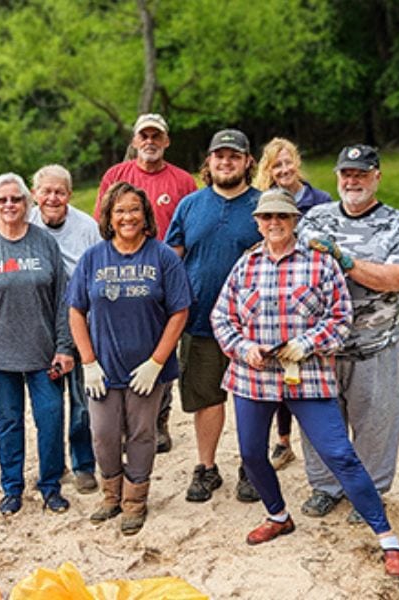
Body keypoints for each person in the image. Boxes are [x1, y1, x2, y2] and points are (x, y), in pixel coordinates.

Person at [210, 188, 399, 579]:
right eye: (267, 218)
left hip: (308, 374)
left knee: (340, 454)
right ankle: (277, 515)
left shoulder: (320, 263)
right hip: (254, 376)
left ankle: (387, 537)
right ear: (258, 223)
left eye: (282, 217)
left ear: (294, 221)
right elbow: (222, 318)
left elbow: (339, 318)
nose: (274, 224)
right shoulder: (245, 265)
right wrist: (243, 346)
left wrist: (308, 343)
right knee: (252, 455)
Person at [296, 144, 399, 524]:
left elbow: (397, 278)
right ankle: (326, 488)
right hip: (321, 346)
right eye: (346, 174)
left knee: (376, 421)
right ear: (337, 176)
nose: (353, 181)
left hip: (375, 344)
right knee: (320, 420)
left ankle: (367, 493)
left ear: (377, 177)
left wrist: (345, 261)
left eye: (361, 174)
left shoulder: (397, 223)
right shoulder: (315, 218)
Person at [68, 181, 191, 535]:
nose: (127, 217)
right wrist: (88, 362)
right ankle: (111, 496)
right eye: (119, 211)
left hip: (147, 369)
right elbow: (76, 310)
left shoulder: (163, 256)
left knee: (141, 434)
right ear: (108, 216)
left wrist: (156, 362)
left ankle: (135, 500)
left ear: (146, 214)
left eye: (134, 209)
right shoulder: (94, 257)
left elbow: (179, 312)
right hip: (103, 369)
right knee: (103, 433)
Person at [0, 172, 73, 516]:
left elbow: (62, 300)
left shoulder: (44, 243)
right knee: (9, 423)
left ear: (28, 203)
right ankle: (12, 488)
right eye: (2, 200)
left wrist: (65, 347)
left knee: (51, 419)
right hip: (0, 359)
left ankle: (51, 486)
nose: (9, 205)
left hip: (44, 355)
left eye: (16, 199)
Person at [164, 128, 263, 504]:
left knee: (253, 400)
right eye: (219, 156)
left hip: (253, 326)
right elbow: (172, 258)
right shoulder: (190, 205)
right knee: (207, 398)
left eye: (234, 156)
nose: (226, 162)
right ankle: (206, 468)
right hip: (200, 320)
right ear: (209, 161)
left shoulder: (262, 204)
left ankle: (251, 466)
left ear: (247, 162)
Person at [94, 113, 198, 454]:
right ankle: (125, 423)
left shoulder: (182, 181)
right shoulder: (116, 176)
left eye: (157, 136)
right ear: (135, 140)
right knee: (124, 341)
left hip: (166, 272)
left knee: (163, 347)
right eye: (144, 136)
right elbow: (102, 222)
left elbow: (191, 230)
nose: (150, 141)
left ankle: (160, 419)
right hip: (119, 271)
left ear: (166, 141)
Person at [253, 137, 333, 470]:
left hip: (310, 287)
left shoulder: (320, 201)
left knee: (312, 368)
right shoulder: (265, 202)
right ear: (268, 170)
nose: (284, 170)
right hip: (275, 290)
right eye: (277, 165)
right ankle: (283, 440)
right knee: (281, 363)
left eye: (288, 163)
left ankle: (320, 442)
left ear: (297, 163)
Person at [28, 164, 101, 494]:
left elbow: (97, 274)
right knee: (48, 403)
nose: (52, 197)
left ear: (69, 195)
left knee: (82, 401)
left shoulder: (86, 227)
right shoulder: (25, 224)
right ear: (35, 194)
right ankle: (52, 466)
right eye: (46, 191)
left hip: (81, 322)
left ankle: (84, 464)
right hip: (39, 324)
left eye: (59, 191)